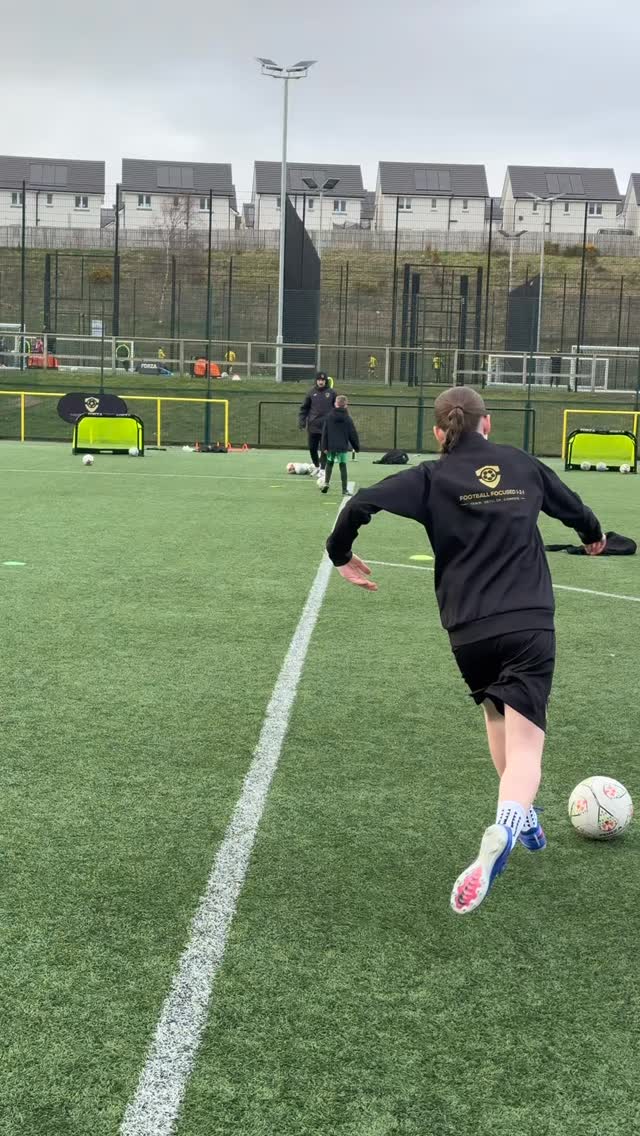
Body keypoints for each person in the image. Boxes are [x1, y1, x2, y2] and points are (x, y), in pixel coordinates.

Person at [326, 387, 606, 915]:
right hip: (528, 621)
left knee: (496, 713)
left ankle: (524, 817)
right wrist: (593, 535)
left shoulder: (430, 477)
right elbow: (574, 509)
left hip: (468, 631)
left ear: (439, 432)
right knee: (527, 747)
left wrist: (339, 553)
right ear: (487, 423)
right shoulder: (521, 464)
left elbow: (360, 503)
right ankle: (505, 826)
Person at [320, 395, 360, 496]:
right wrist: (356, 447)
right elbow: (352, 433)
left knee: (329, 463)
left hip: (331, 446)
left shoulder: (329, 416)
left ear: (335, 404)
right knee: (343, 466)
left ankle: (326, 483)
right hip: (342, 447)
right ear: (346, 405)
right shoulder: (347, 418)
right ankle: (344, 489)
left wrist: (324, 446)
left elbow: (325, 432)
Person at [298, 372, 336, 473]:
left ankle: (322, 469)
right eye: (319, 380)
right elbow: (304, 408)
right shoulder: (311, 392)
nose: (321, 382)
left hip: (326, 426)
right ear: (316, 381)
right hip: (313, 426)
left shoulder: (332, 393)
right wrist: (302, 421)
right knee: (312, 448)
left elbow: (336, 408)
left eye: (323, 380)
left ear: (325, 381)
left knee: (324, 449)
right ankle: (316, 466)